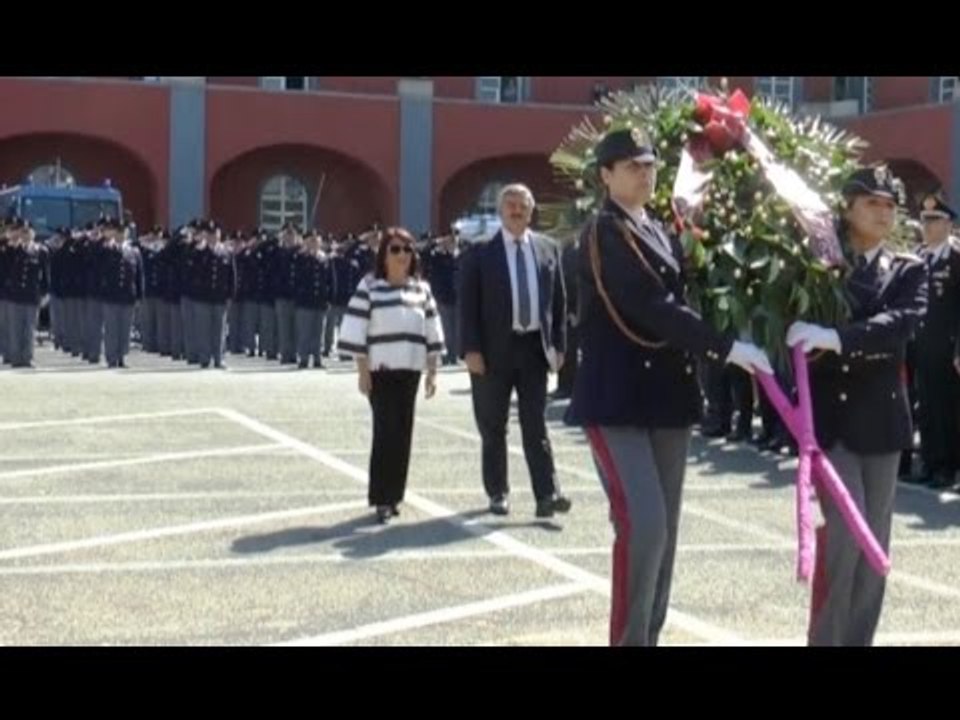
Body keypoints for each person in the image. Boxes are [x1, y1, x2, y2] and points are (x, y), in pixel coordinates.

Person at [564, 128, 772, 646]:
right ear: (605, 176)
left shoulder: (657, 227)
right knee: (645, 526)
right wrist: (723, 347)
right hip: (618, 400)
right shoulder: (604, 232)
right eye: (631, 166)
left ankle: (648, 636)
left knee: (666, 537)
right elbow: (649, 305)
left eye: (649, 164)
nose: (644, 172)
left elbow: (684, 293)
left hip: (667, 401)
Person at [786, 165, 927, 646]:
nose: (883, 212)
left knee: (874, 549)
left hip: (883, 423)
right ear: (847, 209)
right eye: (871, 203)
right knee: (847, 537)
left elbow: (902, 324)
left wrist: (838, 337)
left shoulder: (908, 268)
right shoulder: (818, 265)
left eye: (890, 205)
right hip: (832, 423)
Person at [459, 183, 572, 519]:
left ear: (531, 209)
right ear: (500, 211)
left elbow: (559, 303)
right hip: (493, 351)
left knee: (535, 424)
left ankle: (547, 494)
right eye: (510, 204)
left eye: (523, 204)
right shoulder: (479, 252)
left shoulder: (548, 248)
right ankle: (498, 492)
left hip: (534, 349)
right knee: (493, 425)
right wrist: (470, 349)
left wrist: (560, 346)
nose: (517, 210)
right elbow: (467, 307)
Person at [338, 227, 445, 524]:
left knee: (404, 433)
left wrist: (432, 372)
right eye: (395, 249)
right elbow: (357, 328)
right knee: (385, 433)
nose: (401, 256)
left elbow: (432, 330)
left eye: (407, 250)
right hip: (380, 372)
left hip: (410, 371)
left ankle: (396, 494)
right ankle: (381, 498)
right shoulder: (370, 285)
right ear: (383, 254)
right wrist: (362, 373)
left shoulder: (421, 288)